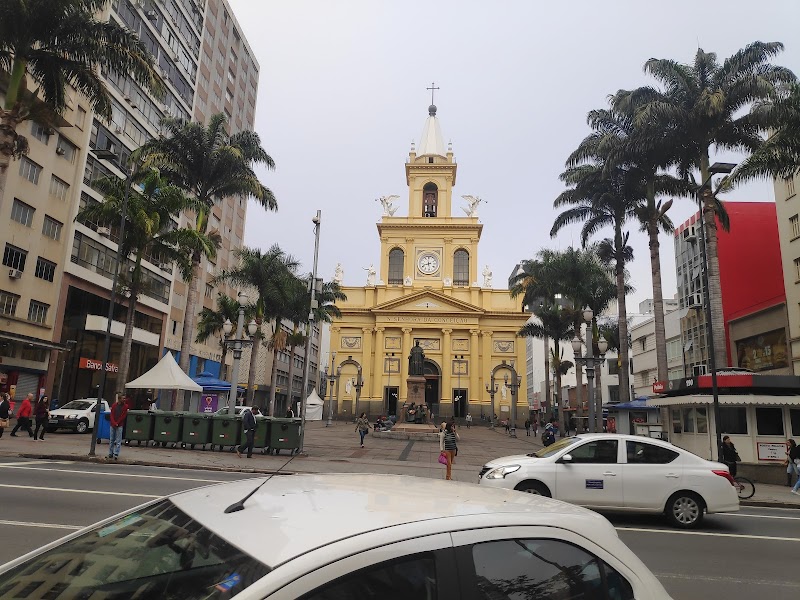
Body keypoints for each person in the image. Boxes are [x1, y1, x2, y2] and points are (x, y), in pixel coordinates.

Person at [108, 395, 129, 460]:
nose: (124, 399)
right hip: (113, 424)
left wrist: (117, 422)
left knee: (118, 440)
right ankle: (110, 453)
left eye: (125, 398)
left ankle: (116, 453)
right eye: (123, 398)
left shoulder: (125, 406)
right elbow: (111, 415)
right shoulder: (114, 405)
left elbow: (123, 416)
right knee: (111, 439)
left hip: (119, 425)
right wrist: (114, 422)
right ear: (119, 399)